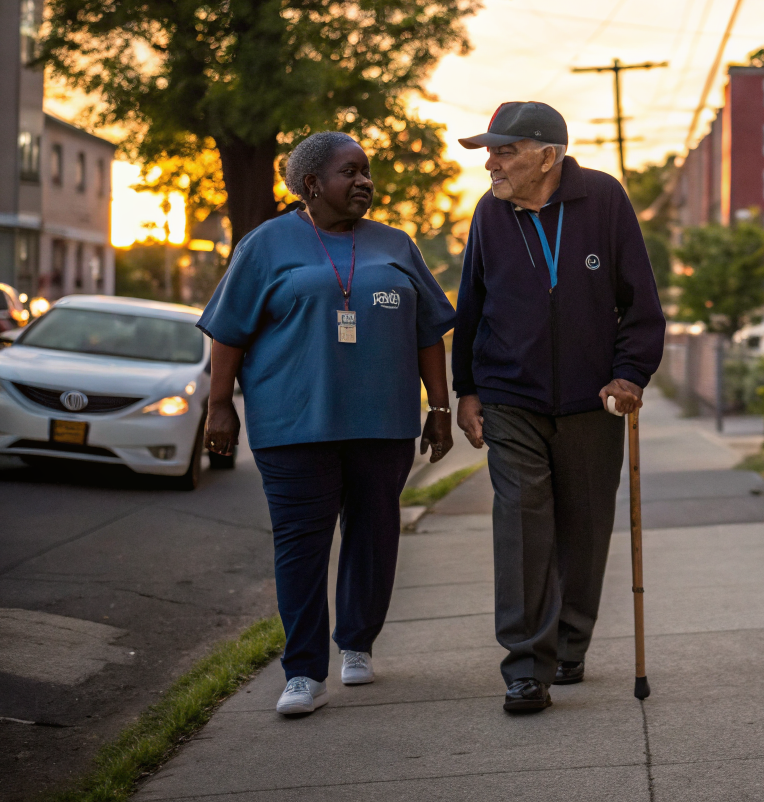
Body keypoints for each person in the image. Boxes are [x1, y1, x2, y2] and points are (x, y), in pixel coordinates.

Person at [199, 131, 456, 717]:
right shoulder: (265, 245)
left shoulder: (395, 245)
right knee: (301, 546)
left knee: (373, 535)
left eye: (367, 172)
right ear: (312, 184)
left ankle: (358, 644)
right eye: (351, 171)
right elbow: (228, 331)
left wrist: (438, 410)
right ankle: (303, 672)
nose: (364, 181)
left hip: (382, 423)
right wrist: (219, 407)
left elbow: (428, 334)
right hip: (293, 424)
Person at [451, 101, 665, 713]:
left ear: (548, 156)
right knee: (521, 522)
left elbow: (641, 302)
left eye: (503, 151)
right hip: (510, 396)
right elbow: (472, 305)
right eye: (489, 152)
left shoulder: (603, 200)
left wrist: (629, 373)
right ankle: (526, 667)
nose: (490, 163)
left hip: (590, 399)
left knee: (585, 525)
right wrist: (467, 387)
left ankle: (569, 644)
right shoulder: (490, 215)